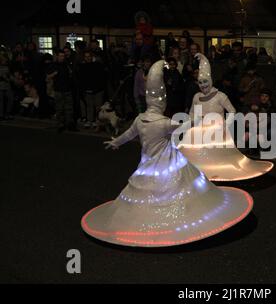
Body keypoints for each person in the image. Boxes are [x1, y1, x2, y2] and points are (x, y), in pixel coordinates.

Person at [81, 60, 254, 248]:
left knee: (149, 190)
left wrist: (116, 142)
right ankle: (177, 218)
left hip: (148, 163)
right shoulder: (164, 122)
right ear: (162, 102)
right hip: (167, 161)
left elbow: (129, 134)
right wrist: (196, 121)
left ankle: (141, 219)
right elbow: (184, 126)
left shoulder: (140, 119)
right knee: (176, 187)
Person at [178, 53, 273, 181]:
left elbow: (232, 111)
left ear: (210, 80)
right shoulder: (197, 97)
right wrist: (190, 124)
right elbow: (193, 113)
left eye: (205, 81)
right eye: (200, 82)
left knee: (219, 161)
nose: (203, 85)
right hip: (200, 132)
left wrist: (224, 125)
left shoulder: (220, 96)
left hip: (217, 133)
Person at [47, 50, 77, 132]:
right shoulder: (53, 65)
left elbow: (70, 74)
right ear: (57, 56)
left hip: (67, 89)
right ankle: (60, 124)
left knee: (69, 108)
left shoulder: (66, 64)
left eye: (63, 56)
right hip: (58, 90)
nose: (62, 58)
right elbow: (47, 77)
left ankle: (69, 124)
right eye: (60, 56)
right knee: (59, 108)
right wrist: (53, 74)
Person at [78, 51, 106, 128]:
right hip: (88, 90)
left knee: (98, 106)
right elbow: (81, 80)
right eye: (86, 56)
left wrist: (100, 88)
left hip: (98, 90)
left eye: (88, 56)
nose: (87, 58)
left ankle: (97, 120)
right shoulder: (82, 67)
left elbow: (101, 77)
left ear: (91, 57)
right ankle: (90, 120)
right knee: (89, 106)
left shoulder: (97, 65)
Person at [0, 55, 14, 120]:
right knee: (1, 101)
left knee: (10, 98)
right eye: (3, 59)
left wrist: (13, 79)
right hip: (1, 85)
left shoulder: (8, 67)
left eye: (5, 59)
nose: (4, 61)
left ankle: (7, 113)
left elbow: (9, 75)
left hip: (7, 85)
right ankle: (1, 115)